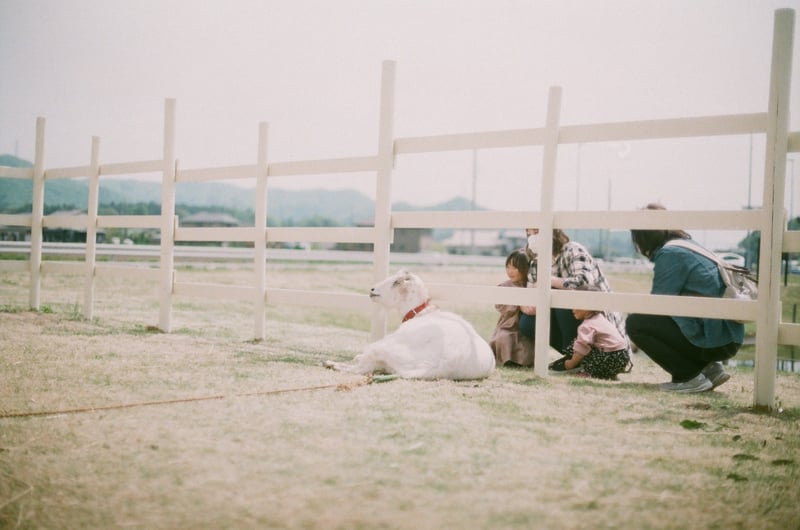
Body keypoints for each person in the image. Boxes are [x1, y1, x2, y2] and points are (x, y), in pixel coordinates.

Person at [625, 203, 744, 393]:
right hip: (728, 336)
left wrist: (634, 342)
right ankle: (710, 369)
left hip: (715, 340)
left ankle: (688, 376)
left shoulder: (670, 254)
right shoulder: (688, 246)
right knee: (653, 319)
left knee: (636, 323)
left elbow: (658, 307)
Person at [519, 228, 629, 354]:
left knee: (563, 300)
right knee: (527, 323)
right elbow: (531, 290)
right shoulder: (536, 261)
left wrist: (551, 281)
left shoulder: (573, 249)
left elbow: (585, 283)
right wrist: (525, 306)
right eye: (529, 232)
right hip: (569, 316)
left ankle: (581, 356)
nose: (532, 237)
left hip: (597, 317)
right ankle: (572, 354)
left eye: (536, 231)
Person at [548, 287, 632, 379]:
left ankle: (588, 372)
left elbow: (581, 350)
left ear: (588, 306)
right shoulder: (601, 317)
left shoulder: (587, 326)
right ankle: (607, 373)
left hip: (610, 357)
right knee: (586, 345)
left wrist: (570, 364)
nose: (572, 309)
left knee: (579, 345)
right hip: (622, 357)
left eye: (575, 305)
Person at [489, 249, 536, 367]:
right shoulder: (505, 286)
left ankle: (521, 362)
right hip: (508, 325)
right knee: (504, 338)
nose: (510, 271)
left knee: (525, 342)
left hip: (523, 327)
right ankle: (507, 360)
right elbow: (500, 305)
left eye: (515, 268)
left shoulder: (530, 286)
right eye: (508, 267)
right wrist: (518, 304)